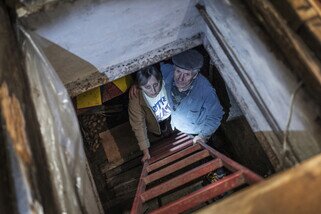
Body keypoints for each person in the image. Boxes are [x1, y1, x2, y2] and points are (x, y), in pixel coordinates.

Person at [161, 49, 224, 144]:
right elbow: (151, 72)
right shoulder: (167, 71)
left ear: (195, 75)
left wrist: (203, 136)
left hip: (194, 131)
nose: (180, 78)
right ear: (174, 68)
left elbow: (216, 115)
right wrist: (137, 85)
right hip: (175, 122)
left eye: (187, 74)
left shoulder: (205, 90)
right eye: (178, 71)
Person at [128, 66, 172, 162]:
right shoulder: (136, 99)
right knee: (157, 132)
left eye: (155, 84)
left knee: (169, 125)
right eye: (147, 87)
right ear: (139, 86)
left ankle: (166, 129)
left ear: (160, 79)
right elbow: (138, 124)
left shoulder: (168, 80)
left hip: (171, 115)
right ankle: (160, 132)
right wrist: (146, 152)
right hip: (154, 121)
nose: (153, 90)